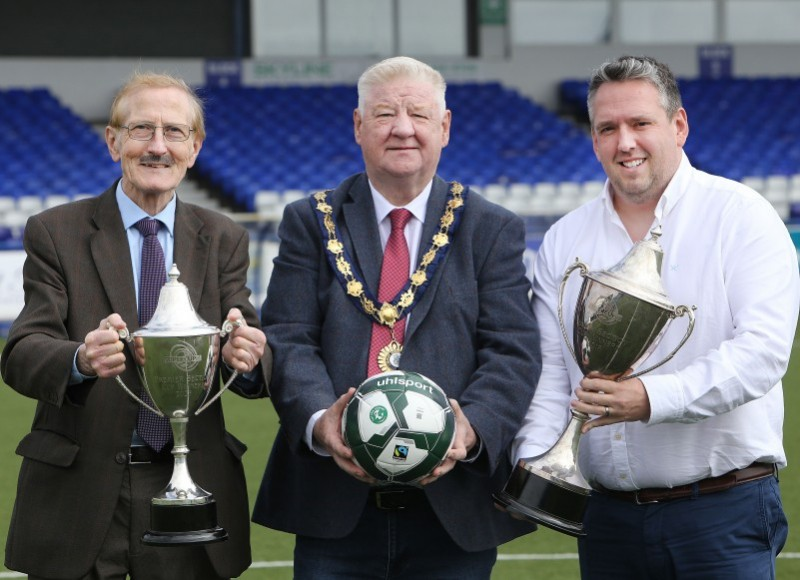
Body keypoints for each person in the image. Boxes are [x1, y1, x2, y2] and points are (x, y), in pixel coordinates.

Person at [512, 55, 800, 579]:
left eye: (640, 123)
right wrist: (537, 461)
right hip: (607, 520)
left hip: (720, 511)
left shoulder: (741, 216)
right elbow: (550, 373)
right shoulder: (565, 240)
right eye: (607, 128)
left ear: (678, 125)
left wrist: (649, 399)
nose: (625, 142)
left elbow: (762, 353)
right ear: (594, 137)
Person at [253, 56, 541, 578]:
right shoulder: (309, 221)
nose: (403, 129)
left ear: (445, 127)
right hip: (333, 505)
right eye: (385, 114)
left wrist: (468, 430)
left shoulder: (491, 228)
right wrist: (323, 424)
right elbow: (288, 338)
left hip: (455, 505)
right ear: (359, 126)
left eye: (419, 115)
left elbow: (513, 351)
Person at [1, 71, 271, 580]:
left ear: (194, 148)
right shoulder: (56, 231)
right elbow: (22, 352)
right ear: (113, 141)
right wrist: (80, 359)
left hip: (192, 488)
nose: (157, 146)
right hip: (82, 492)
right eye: (142, 129)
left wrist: (249, 359)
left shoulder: (224, 237)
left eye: (174, 132)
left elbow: (249, 340)